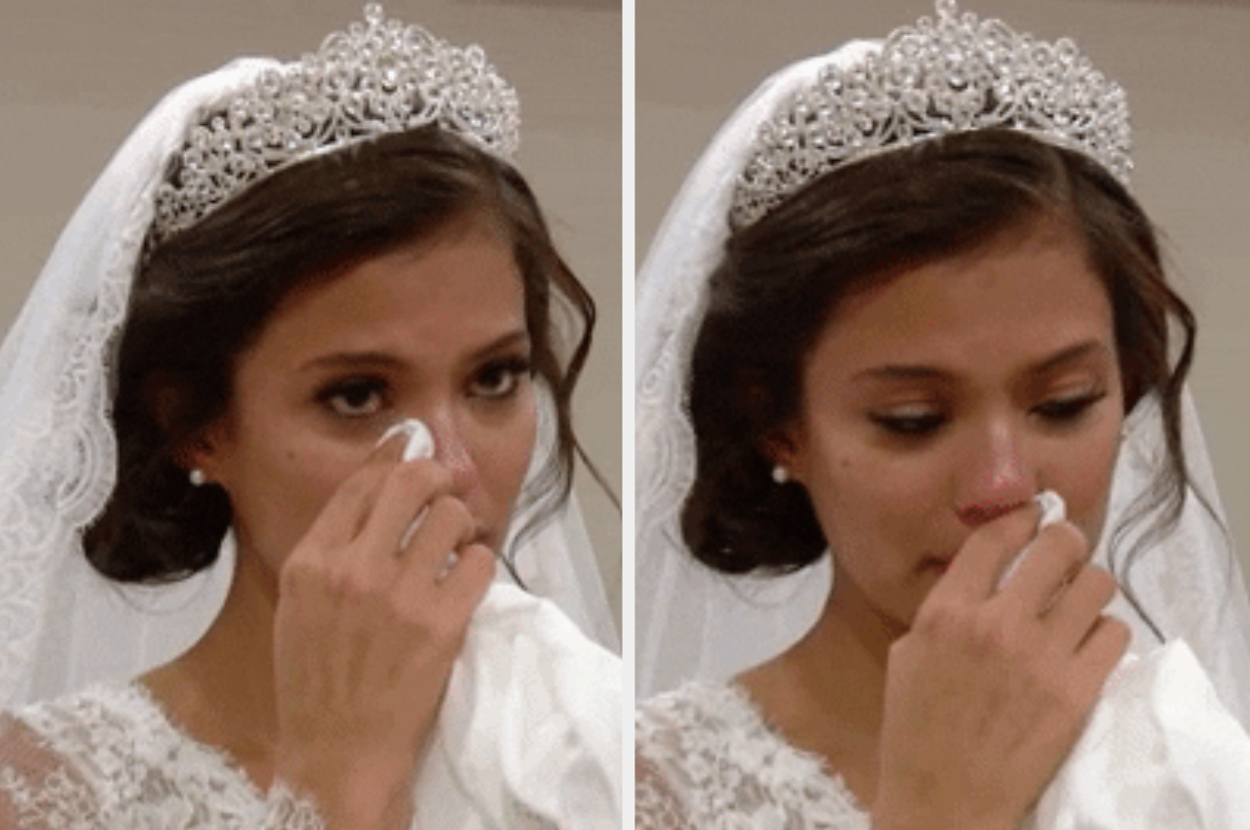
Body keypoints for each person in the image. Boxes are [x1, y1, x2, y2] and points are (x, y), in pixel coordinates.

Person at [0, 6, 619, 829]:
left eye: (496, 377)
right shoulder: (45, 796)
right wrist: (342, 786)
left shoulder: (597, 741)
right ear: (197, 425)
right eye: (358, 396)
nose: (454, 468)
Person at [635, 2, 1250, 828]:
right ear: (779, 421)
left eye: (1064, 406)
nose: (1003, 486)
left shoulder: (1190, 753)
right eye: (913, 418)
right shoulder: (639, 787)